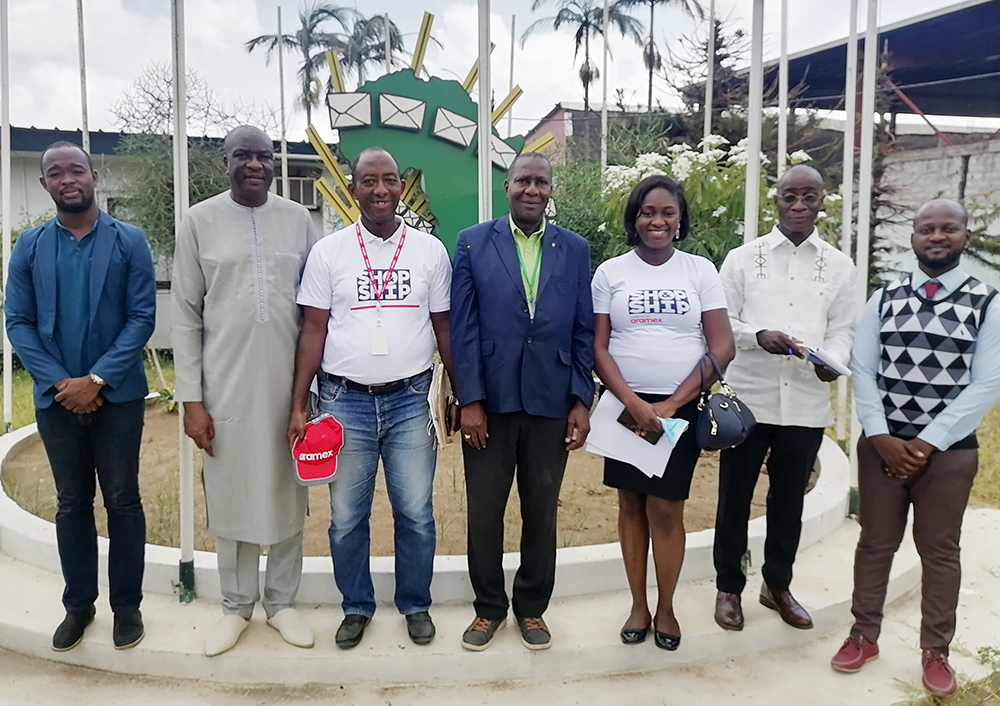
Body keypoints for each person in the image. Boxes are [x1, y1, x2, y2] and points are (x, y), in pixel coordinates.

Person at [830, 199, 1000, 697]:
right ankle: (864, 635)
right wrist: (881, 436)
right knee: (875, 543)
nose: (937, 236)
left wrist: (925, 443)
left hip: (947, 453)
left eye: (949, 227)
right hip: (882, 446)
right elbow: (864, 370)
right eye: (927, 228)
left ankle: (936, 650)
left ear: (965, 236)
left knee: (940, 549)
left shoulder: (987, 303)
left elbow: (986, 384)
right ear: (914, 238)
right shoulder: (884, 298)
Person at [288, 146, 454, 649]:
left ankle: (414, 603)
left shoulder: (430, 251)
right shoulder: (329, 252)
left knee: (416, 513)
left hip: (410, 401)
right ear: (353, 188)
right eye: (368, 181)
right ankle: (356, 606)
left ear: (401, 187)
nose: (379, 190)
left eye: (388, 180)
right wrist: (300, 403)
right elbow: (312, 331)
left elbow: (444, 328)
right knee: (346, 519)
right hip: (343, 403)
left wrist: (464, 394)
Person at [172, 126, 318, 657]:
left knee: (286, 492)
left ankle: (280, 603)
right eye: (243, 156)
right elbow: (185, 317)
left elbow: (313, 312)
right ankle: (236, 606)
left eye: (264, 156)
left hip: (287, 389)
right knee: (230, 495)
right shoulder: (199, 221)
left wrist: (310, 393)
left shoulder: (298, 220)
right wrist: (192, 400)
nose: (255, 164)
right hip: (223, 388)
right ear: (224, 162)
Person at [5, 141, 155, 651]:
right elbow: (18, 322)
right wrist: (61, 383)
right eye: (55, 172)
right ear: (46, 183)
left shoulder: (129, 240)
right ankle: (79, 605)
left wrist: (97, 379)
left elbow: (142, 318)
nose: (67, 179)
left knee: (123, 502)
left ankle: (127, 607)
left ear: (94, 175)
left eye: (76, 169)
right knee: (72, 504)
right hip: (56, 400)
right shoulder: (28, 245)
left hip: (118, 398)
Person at [450, 152, 595, 651]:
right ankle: (488, 608)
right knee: (484, 513)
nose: (532, 189)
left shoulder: (574, 249)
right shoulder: (472, 242)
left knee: (541, 511)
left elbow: (583, 329)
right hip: (489, 403)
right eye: (523, 181)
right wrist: (469, 400)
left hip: (551, 401)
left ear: (551, 190)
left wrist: (582, 398)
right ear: (506, 185)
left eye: (542, 182)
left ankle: (531, 608)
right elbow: (463, 330)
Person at [593, 175, 735, 651]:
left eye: (667, 213)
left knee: (667, 509)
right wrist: (633, 403)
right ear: (634, 218)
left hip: (681, 408)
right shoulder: (611, 272)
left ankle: (667, 607)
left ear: (680, 220)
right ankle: (638, 603)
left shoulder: (699, 271)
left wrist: (673, 404)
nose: (657, 221)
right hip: (624, 406)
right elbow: (598, 345)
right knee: (631, 504)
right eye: (647, 212)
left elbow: (722, 345)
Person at [714, 164, 857, 632]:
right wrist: (758, 335)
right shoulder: (741, 258)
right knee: (734, 496)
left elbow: (842, 330)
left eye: (809, 197)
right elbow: (719, 323)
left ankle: (777, 585)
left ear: (822, 201)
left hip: (805, 401)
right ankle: (729, 587)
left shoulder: (838, 266)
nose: (799, 206)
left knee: (789, 499)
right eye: (789, 197)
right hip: (750, 399)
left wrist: (830, 360)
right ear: (775, 200)